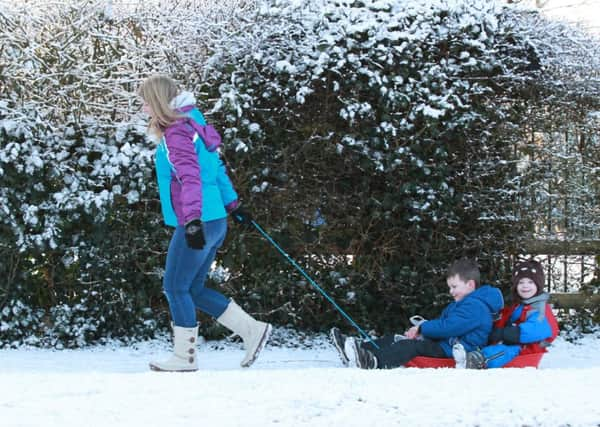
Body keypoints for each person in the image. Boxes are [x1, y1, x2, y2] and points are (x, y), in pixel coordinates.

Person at [138, 75, 272, 372]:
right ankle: (253, 330)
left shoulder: (176, 133)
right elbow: (215, 167)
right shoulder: (194, 123)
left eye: (146, 101)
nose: (144, 108)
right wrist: (233, 204)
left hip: (198, 220)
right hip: (215, 219)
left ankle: (184, 358)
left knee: (174, 287)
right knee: (193, 289)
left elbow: (190, 178)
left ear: (159, 101)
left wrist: (193, 220)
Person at [331, 258, 504, 369]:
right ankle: (356, 349)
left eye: (454, 287)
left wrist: (422, 328)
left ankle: (372, 360)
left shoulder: (476, 307)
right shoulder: (465, 303)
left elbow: (449, 327)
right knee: (397, 339)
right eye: (449, 287)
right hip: (445, 343)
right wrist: (422, 329)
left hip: (455, 350)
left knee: (410, 346)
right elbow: (446, 324)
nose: (451, 292)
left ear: (470, 285)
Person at [453, 259, 559, 369]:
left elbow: (536, 329)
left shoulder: (540, 307)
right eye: (521, 282)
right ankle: (467, 354)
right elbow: (505, 318)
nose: (525, 286)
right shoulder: (520, 305)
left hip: (529, 347)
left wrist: (503, 333)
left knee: (504, 350)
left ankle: (479, 360)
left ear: (539, 285)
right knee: (492, 343)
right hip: (514, 341)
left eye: (530, 282)